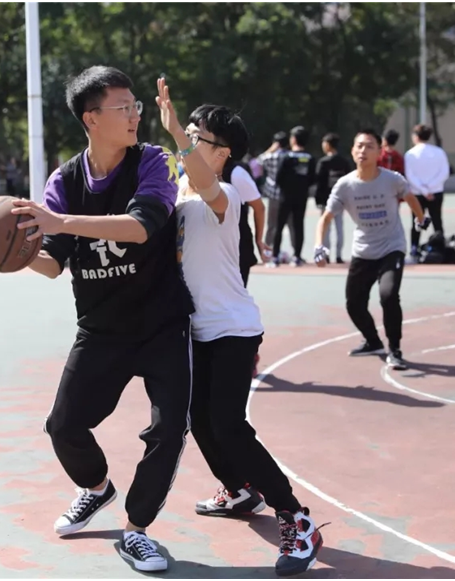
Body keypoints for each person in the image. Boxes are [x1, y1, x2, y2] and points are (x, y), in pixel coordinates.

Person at [9, 66, 194, 573]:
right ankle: (96, 488)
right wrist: (12, 254)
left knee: (168, 430)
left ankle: (136, 531)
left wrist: (60, 221)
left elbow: (141, 226)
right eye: (123, 108)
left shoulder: (154, 161)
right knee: (63, 426)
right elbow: (52, 262)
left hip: (161, 323)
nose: (135, 115)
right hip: (101, 327)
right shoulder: (64, 181)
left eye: (135, 106)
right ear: (91, 118)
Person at [157, 88, 323, 578]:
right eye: (186, 135)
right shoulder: (178, 195)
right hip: (196, 331)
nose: (186, 143)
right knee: (199, 422)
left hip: (232, 328)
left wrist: (174, 132)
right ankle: (239, 489)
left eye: (196, 137)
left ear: (222, 152)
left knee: (228, 425)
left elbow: (206, 186)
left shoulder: (224, 195)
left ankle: (296, 517)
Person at [314, 129, 431, 371]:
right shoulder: (345, 185)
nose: (363, 151)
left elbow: (410, 198)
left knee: (388, 295)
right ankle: (373, 341)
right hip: (363, 250)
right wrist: (319, 246)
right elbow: (325, 218)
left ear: (379, 152)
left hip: (392, 247)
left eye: (369, 146)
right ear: (352, 151)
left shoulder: (392, 179)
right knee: (353, 304)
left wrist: (420, 219)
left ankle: (395, 350)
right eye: (359, 146)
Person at [405, 124, 450, 259]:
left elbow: (410, 175)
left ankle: (414, 247)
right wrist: (431, 188)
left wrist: (424, 190)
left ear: (415, 137)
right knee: (437, 220)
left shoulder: (410, 154)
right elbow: (445, 172)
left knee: (416, 220)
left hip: (417, 193)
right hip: (436, 192)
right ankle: (440, 247)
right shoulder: (439, 152)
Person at [273, 126, 316, 266]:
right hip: (301, 196)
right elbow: (312, 178)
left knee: (279, 225)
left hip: (285, 196)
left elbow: (278, 177)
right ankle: (297, 256)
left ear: (294, 139)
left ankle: (275, 256)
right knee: (299, 225)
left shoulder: (287, 157)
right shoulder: (310, 158)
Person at [314, 133, 352, 264]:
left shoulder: (323, 162)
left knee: (326, 227)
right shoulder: (344, 162)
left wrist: (318, 200)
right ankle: (339, 255)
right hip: (340, 200)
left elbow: (319, 182)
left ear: (328, 145)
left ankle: (326, 255)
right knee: (339, 227)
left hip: (326, 200)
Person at [257, 132, 295, 256]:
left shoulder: (270, 157)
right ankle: (296, 252)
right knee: (291, 225)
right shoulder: (291, 157)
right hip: (288, 194)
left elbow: (257, 162)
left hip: (273, 194)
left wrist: (271, 149)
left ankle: (268, 251)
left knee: (271, 225)